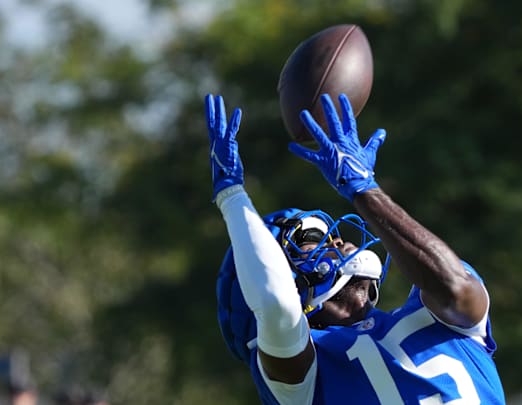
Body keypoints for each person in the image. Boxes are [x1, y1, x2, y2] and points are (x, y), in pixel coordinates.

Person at [209, 92, 505, 404]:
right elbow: (275, 306)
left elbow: (456, 289)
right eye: (311, 240)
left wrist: (364, 188)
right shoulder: (301, 379)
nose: (335, 241)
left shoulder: (432, 317)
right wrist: (232, 197)